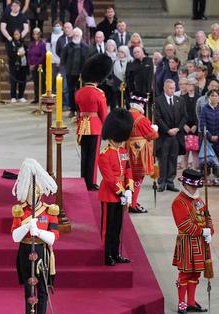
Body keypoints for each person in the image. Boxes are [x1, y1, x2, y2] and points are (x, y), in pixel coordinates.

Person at [10, 158, 59, 314]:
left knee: (43, 289)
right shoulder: (20, 210)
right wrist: (25, 226)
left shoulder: (49, 210)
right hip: (24, 249)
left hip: (41, 250)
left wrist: (37, 231)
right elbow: (15, 237)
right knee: (28, 288)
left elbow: (53, 238)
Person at [171, 169, 213, 314]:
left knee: (196, 274)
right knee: (185, 273)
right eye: (192, 186)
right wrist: (202, 231)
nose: (195, 189)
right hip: (187, 242)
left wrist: (210, 231)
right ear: (185, 184)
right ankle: (182, 302)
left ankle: (191, 302)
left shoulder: (199, 200)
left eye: (196, 186)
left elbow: (208, 217)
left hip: (200, 243)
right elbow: (183, 225)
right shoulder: (179, 202)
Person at [98, 108, 134, 266]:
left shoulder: (123, 151)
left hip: (122, 194)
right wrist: (121, 192)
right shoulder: (104, 154)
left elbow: (128, 170)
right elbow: (109, 178)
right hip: (109, 195)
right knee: (108, 228)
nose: (120, 141)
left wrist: (130, 189)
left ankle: (116, 252)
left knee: (118, 227)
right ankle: (107, 255)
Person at [75, 53, 110, 191]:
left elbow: (78, 109)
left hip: (82, 125)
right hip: (95, 126)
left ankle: (83, 179)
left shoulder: (79, 92)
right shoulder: (99, 93)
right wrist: (106, 128)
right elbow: (103, 113)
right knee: (93, 156)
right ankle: (91, 182)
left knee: (84, 156)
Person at [126, 96, 159, 213]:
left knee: (128, 176)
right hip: (139, 153)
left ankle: (129, 200)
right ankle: (132, 204)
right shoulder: (141, 119)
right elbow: (152, 135)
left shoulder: (125, 115)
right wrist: (155, 129)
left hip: (126, 150)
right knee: (137, 178)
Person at [155, 79, 186, 191]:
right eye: (170, 88)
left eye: (173, 88)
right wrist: (168, 130)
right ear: (164, 88)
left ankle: (170, 182)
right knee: (163, 159)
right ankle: (162, 182)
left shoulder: (180, 100)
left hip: (176, 135)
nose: (172, 90)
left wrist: (177, 128)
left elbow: (184, 116)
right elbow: (157, 118)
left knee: (173, 158)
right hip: (164, 135)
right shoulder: (158, 101)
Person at [199, 89, 219, 186]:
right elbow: (202, 124)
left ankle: (218, 177)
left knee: (218, 158)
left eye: (216, 96)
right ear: (208, 97)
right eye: (212, 96)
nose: (214, 97)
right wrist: (209, 136)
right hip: (208, 139)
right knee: (206, 159)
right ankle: (205, 177)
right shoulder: (204, 109)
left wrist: (218, 135)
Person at [61, 27, 88, 113]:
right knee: (71, 91)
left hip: (82, 74)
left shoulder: (85, 47)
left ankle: (81, 110)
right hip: (70, 73)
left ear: (81, 36)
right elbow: (63, 58)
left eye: (78, 35)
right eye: (75, 34)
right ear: (72, 35)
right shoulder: (68, 46)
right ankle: (72, 109)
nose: (76, 36)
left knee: (82, 93)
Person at [6, 29, 28, 103]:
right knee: (14, 81)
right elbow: (10, 54)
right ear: (13, 35)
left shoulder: (23, 43)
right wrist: (18, 54)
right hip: (14, 65)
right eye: (15, 34)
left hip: (23, 65)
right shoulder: (10, 43)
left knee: (22, 81)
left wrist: (25, 52)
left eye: (18, 34)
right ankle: (13, 96)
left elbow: (27, 51)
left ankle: (21, 96)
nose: (17, 35)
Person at [28, 28, 46, 103]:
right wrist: (30, 64)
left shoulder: (42, 44)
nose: (35, 35)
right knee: (35, 82)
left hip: (40, 66)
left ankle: (42, 98)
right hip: (33, 65)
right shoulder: (31, 44)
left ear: (39, 34)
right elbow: (29, 54)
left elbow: (42, 56)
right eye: (34, 34)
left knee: (41, 82)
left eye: (37, 34)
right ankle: (36, 98)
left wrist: (35, 65)